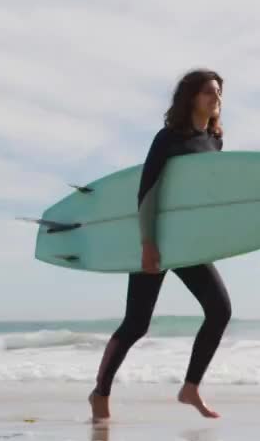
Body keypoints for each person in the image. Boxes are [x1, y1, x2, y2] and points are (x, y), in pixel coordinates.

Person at [88, 69, 232, 422]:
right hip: (155, 238)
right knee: (137, 323)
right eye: (209, 92)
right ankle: (100, 392)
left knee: (220, 310)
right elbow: (147, 192)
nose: (216, 99)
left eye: (219, 93)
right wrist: (148, 243)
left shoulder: (215, 141)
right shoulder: (168, 138)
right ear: (191, 98)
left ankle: (190, 387)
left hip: (187, 244)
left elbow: (206, 198)